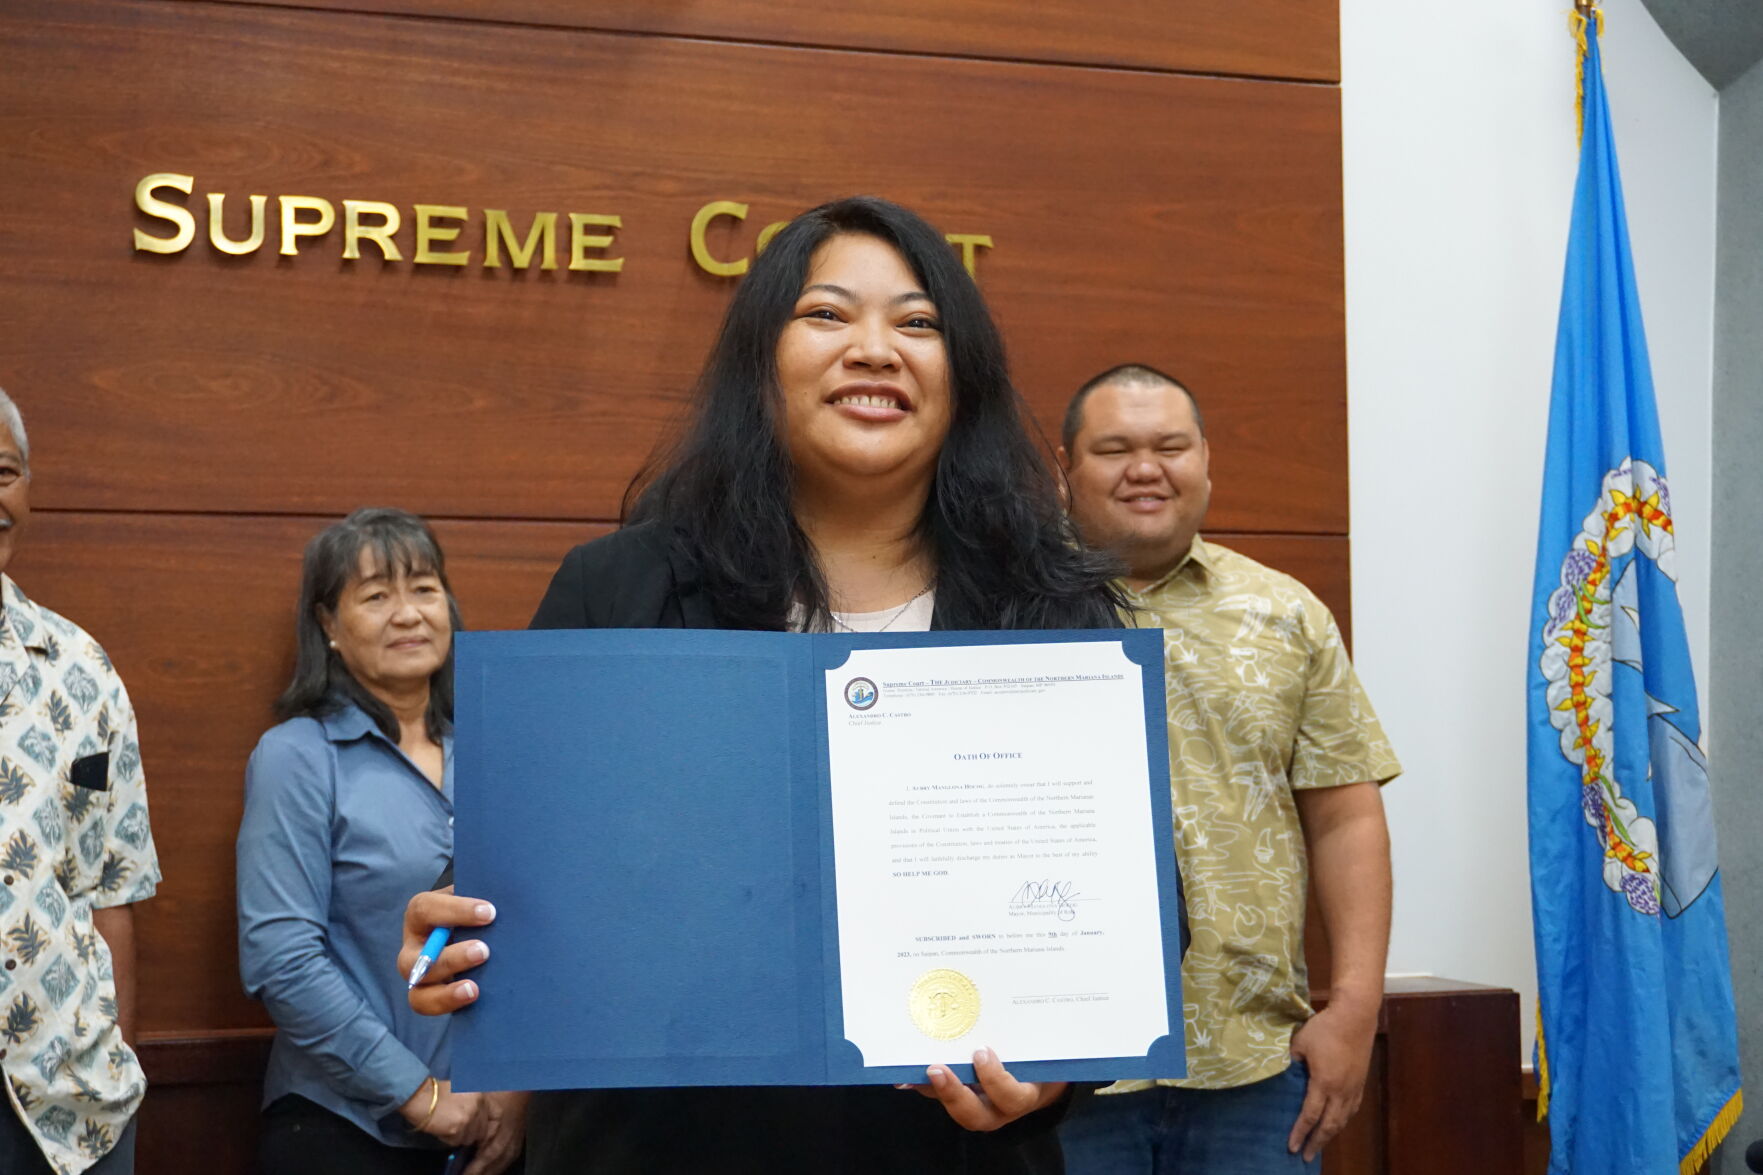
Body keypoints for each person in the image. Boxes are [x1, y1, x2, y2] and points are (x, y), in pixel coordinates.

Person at [398, 195, 1129, 1174]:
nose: (875, 348)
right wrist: (458, 935)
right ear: (758, 363)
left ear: (964, 379)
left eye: (916, 323)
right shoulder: (620, 588)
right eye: (827, 314)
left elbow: (1131, 896)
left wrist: (1054, 1073)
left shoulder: (1049, 613)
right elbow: (530, 868)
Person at [1053, 365, 1401, 1174]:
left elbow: (1345, 815)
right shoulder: (1002, 605)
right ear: (1062, 471)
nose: (1146, 467)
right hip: (1059, 1071)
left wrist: (1353, 1008)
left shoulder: (1286, 613)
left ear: (1205, 460)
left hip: (1255, 1062)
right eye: (1113, 448)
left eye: (1170, 445)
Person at [237, 508, 526, 1175]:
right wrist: (418, 1093)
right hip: (344, 1128)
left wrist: (516, 1095)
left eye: (423, 588)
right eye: (376, 595)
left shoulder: (503, 749)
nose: (408, 613)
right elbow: (281, 956)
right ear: (328, 626)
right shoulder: (298, 757)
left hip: (497, 1126)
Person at [0, 391, 160, 1175]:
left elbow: (112, 893)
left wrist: (117, 1062)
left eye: (4, 472)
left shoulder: (81, 667)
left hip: (71, 1113)